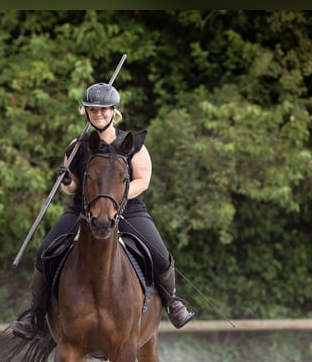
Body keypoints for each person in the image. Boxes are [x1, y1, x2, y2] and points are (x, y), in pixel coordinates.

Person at [11, 82, 195, 339]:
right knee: (44, 252)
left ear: (114, 111)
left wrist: (112, 200)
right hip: (82, 212)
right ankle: (35, 315)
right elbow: (72, 187)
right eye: (93, 109)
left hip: (128, 210)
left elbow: (143, 180)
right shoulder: (78, 146)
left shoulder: (132, 144)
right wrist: (66, 180)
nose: (98, 113)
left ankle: (173, 303)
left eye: (104, 109)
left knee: (161, 255)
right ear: (85, 111)